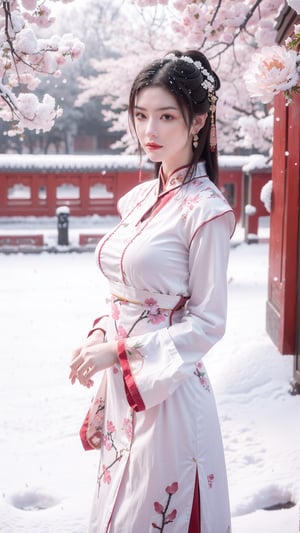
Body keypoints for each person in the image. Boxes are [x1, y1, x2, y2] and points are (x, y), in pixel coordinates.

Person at [69, 49, 235, 533]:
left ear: (199, 120)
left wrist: (119, 351)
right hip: (126, 383)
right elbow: (125, 292)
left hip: (169, 390)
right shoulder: (140, 198)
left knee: (154, 510)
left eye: (166, 116)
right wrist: (101, 336)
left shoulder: (206, 211)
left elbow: (208, 322)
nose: (150, 131)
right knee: (118, 505)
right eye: (141, 115)